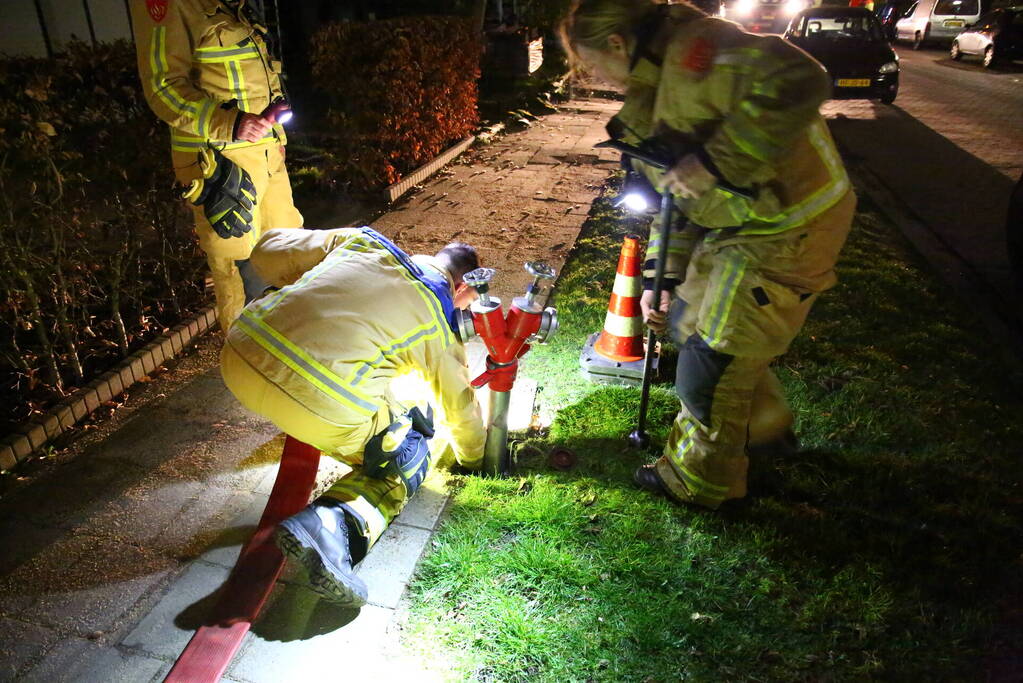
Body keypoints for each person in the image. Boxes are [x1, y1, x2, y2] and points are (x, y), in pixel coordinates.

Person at [561, 0, 856, 509]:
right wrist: (663, 277)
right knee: (685, 325)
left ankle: (702, 481)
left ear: (617, 43)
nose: (593, 77)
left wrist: (716, 161)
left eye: (590, 63)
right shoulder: (654, 92)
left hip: (787, 228)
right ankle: (763, 432)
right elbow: (675, 199)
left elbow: (802, 78)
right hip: (740, 225)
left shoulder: (701, 50)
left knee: (712, 360)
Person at [220, 226, 486, 606]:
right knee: (409, 447)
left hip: (240, 352)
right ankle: (333, 526)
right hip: (318, 400)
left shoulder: (362, 242)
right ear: (461, 288)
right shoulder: (436, 321)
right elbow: (460, 410)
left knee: (383, 394)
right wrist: (475, 459)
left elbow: (267, 250)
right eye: (467, 304)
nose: (463, 313)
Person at [130, 0, 304, 329]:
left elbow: (261, 82)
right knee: (239, 273)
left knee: (291, 254)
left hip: (265, 153)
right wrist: (228, 123)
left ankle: (296, 356)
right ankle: (248, 369)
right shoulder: (169, 5)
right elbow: (162, 87)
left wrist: (278, 139)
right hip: (220, 163)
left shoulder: (227, 5)